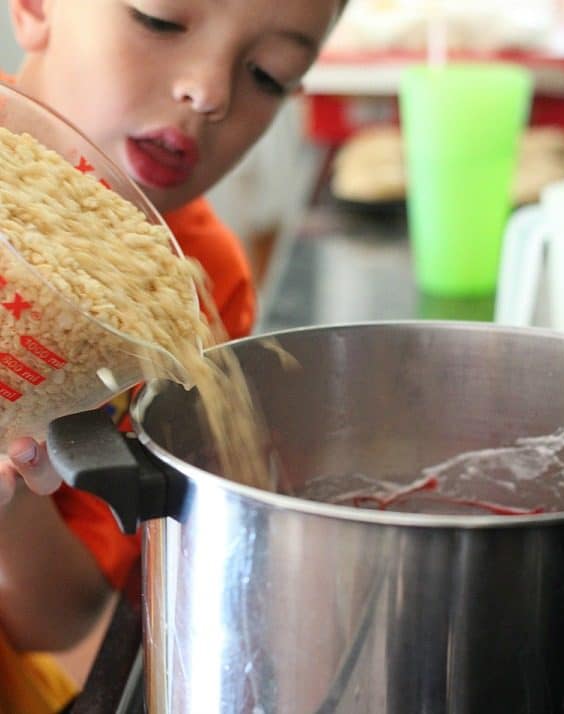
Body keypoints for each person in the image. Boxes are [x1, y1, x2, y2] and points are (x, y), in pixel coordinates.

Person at [0, 0, 345, 710]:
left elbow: (56, 615)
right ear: (35, 7)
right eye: (159, 20)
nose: (210, 91)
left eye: (268, 75)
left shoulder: (188, 289)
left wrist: (11, 500)